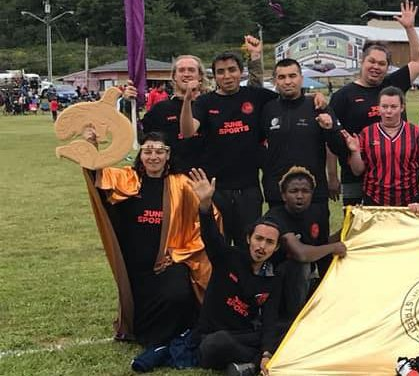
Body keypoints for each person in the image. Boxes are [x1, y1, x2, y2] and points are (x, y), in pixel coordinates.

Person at [80, 129, 212, 353]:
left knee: (177, 294)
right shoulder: (129, 179)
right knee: (140, 315)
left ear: (168, 155)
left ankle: (174, 335)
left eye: (160, 151)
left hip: (170, 261)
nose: (154, 157)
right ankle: (150, 335)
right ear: (140, 154)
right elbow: (98, 176)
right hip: (137, 264)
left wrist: (205, 203)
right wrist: (92, 146)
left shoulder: (182, 184)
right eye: (148, 151)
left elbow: (205, 222)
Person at [327, 0, 419, 208]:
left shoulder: (393, 84)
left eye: (382, 64)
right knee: (356, 228)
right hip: (355, 172)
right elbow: (331, 139)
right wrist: (332, 176)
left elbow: (418, 61)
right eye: (372, 61)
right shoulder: (343, 96)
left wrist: (410, 28)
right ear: (362, 62)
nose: (376, 67)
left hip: (393, 176)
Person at [189, 168, 286, 376]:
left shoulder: (272, 279)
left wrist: (267, 352)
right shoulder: (228, 257)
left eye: (269, 242)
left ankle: (250, 365)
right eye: (259, 239)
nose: (262, 246)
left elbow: (269, 320)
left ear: (276, 248)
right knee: (217, 342)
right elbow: (211, 236)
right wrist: (205, 204)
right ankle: (252, 363)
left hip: (245, 335)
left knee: (285, 328)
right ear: (249, 238)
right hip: (214, 336)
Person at [180, 44, 278, 247]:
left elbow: (288, 99)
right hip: (217, 189)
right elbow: (188, 131)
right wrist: (187, 103)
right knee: (218, 245)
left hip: (249, 189)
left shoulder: (255, 96)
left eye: (232, 70)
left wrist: (316, 99)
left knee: (248, 245)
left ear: (240, 72)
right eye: (221, 72)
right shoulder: (205, 102)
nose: (227, 76)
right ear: (214, 76)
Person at [261, 58, 348, 212]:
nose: (287, 81)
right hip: (278, 194)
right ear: (275, 81)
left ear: (301, 78)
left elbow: (340, 148)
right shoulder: (268, 109)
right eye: (282, 77)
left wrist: (330, 129)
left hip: (314, 193)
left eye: (292, 76)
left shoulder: (318, 106)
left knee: (317, 236)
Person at [263, 167, 347, 319]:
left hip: (302, 280)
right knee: (301, 264)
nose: (300, 196)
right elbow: (300, 253)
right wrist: (333, 247)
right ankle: (295, 318)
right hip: (272, 280)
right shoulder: (275, 216)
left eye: (305, 191)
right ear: (283, 195)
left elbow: (322, 244)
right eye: (293, 191)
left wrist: (349, 228)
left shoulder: (317, 213)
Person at [342, 86, 419, 206]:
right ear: (378, 108)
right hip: (374, 199)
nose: (388, 111)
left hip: (409, 201)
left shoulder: (417, 134)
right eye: (384, 106)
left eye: (393, 107)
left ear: (402, 108)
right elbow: (357, 171)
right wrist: (355, 151)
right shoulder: (367, 133)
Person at [142, 55, 207, 173]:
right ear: (174, 77)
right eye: (181, 70)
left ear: (200, 76)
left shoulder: (211, 104)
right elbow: (139, 136)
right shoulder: (160, 109)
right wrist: (130, 103)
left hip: (208, 179)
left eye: (191, 70)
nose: (186, 74)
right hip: (172, 178)